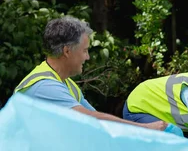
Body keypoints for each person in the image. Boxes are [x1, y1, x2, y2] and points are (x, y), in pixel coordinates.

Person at [14, 16, 166, 132]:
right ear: (67, 51)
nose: (87, 57)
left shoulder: (65, 83)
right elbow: (91, 119)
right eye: (85, 50)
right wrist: (145, 128)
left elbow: (99, 123)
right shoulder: (45, 86)